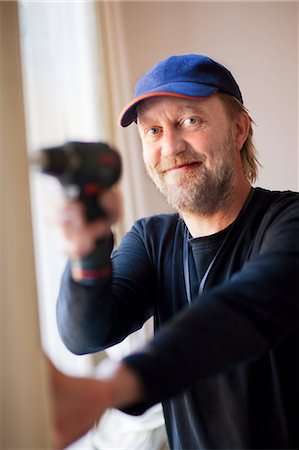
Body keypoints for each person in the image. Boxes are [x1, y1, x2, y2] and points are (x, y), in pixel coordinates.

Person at [52, 54, 298, 450]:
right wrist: (88, 251)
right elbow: (86, 334)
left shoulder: (288, 221)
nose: (170, 146)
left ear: (238, 130)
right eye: (152, 130)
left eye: (189, 121)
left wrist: (110, 389)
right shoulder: (152, 240)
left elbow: (249, 310)